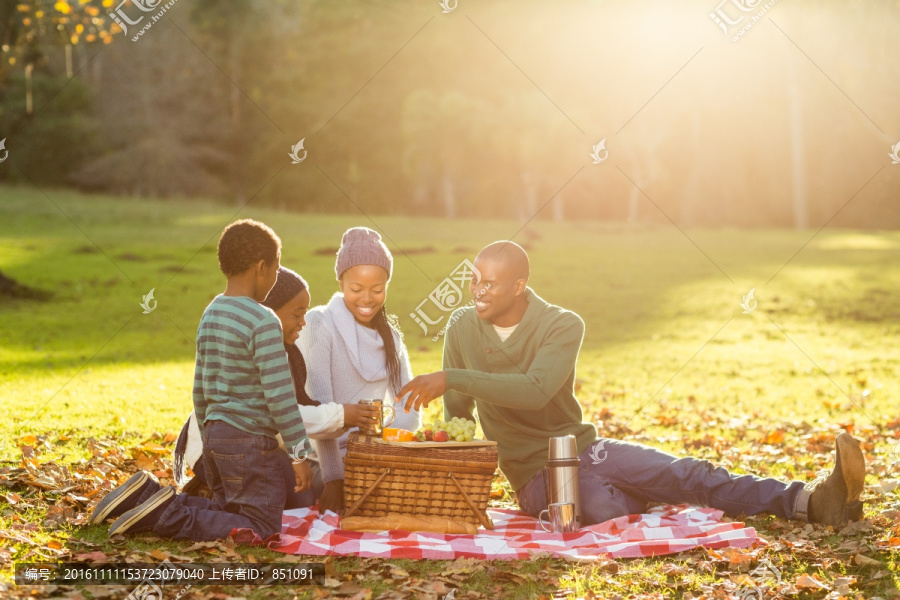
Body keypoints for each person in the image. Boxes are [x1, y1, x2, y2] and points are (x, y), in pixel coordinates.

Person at [399, 241, 866, 528]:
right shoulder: (462, 327)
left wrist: (450, 377)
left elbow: (536, 389)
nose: (477, 292)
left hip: (583, 449)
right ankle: (641, 492)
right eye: (474, 281)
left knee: (689, 473)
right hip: (532, 477)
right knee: (606, 505)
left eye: (491, 284)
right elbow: (457, 414)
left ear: (519, 286)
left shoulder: (562, 325)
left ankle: (810, 502)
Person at [90, 219, 314, 540]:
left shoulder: (212, 311)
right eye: (277, 270)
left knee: (232, 513)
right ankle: (163, 515)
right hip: (252, 442)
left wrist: (209, 438)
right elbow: (280, 398)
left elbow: (201, 386)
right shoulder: (263, 321)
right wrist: (299, 454)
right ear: (261, 267)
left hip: (216, 433)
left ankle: (143, 498)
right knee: (263, 527)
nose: (276, 277)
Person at [171, 266, 380, 508]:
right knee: (283, 504)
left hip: (258, 443)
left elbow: (291, 413)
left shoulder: (289, 353)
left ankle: (225, 497)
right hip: (224, 443)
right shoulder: (260, 350)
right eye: (296, 314)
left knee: (303, 495)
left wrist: (342, 421)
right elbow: (278, 412)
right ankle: (194, 501)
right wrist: (343, 414)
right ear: (270, 314)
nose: (304, 322)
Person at [298, 226, 421, 513]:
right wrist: (334, 478)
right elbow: (321, 409)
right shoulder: (319, 324)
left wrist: (375, 448)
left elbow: (409, 409)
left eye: (377, 290)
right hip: (320, 461)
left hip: (372, 456)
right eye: (356, 289)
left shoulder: (391, 336)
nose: (367, 299)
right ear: (341, 283)